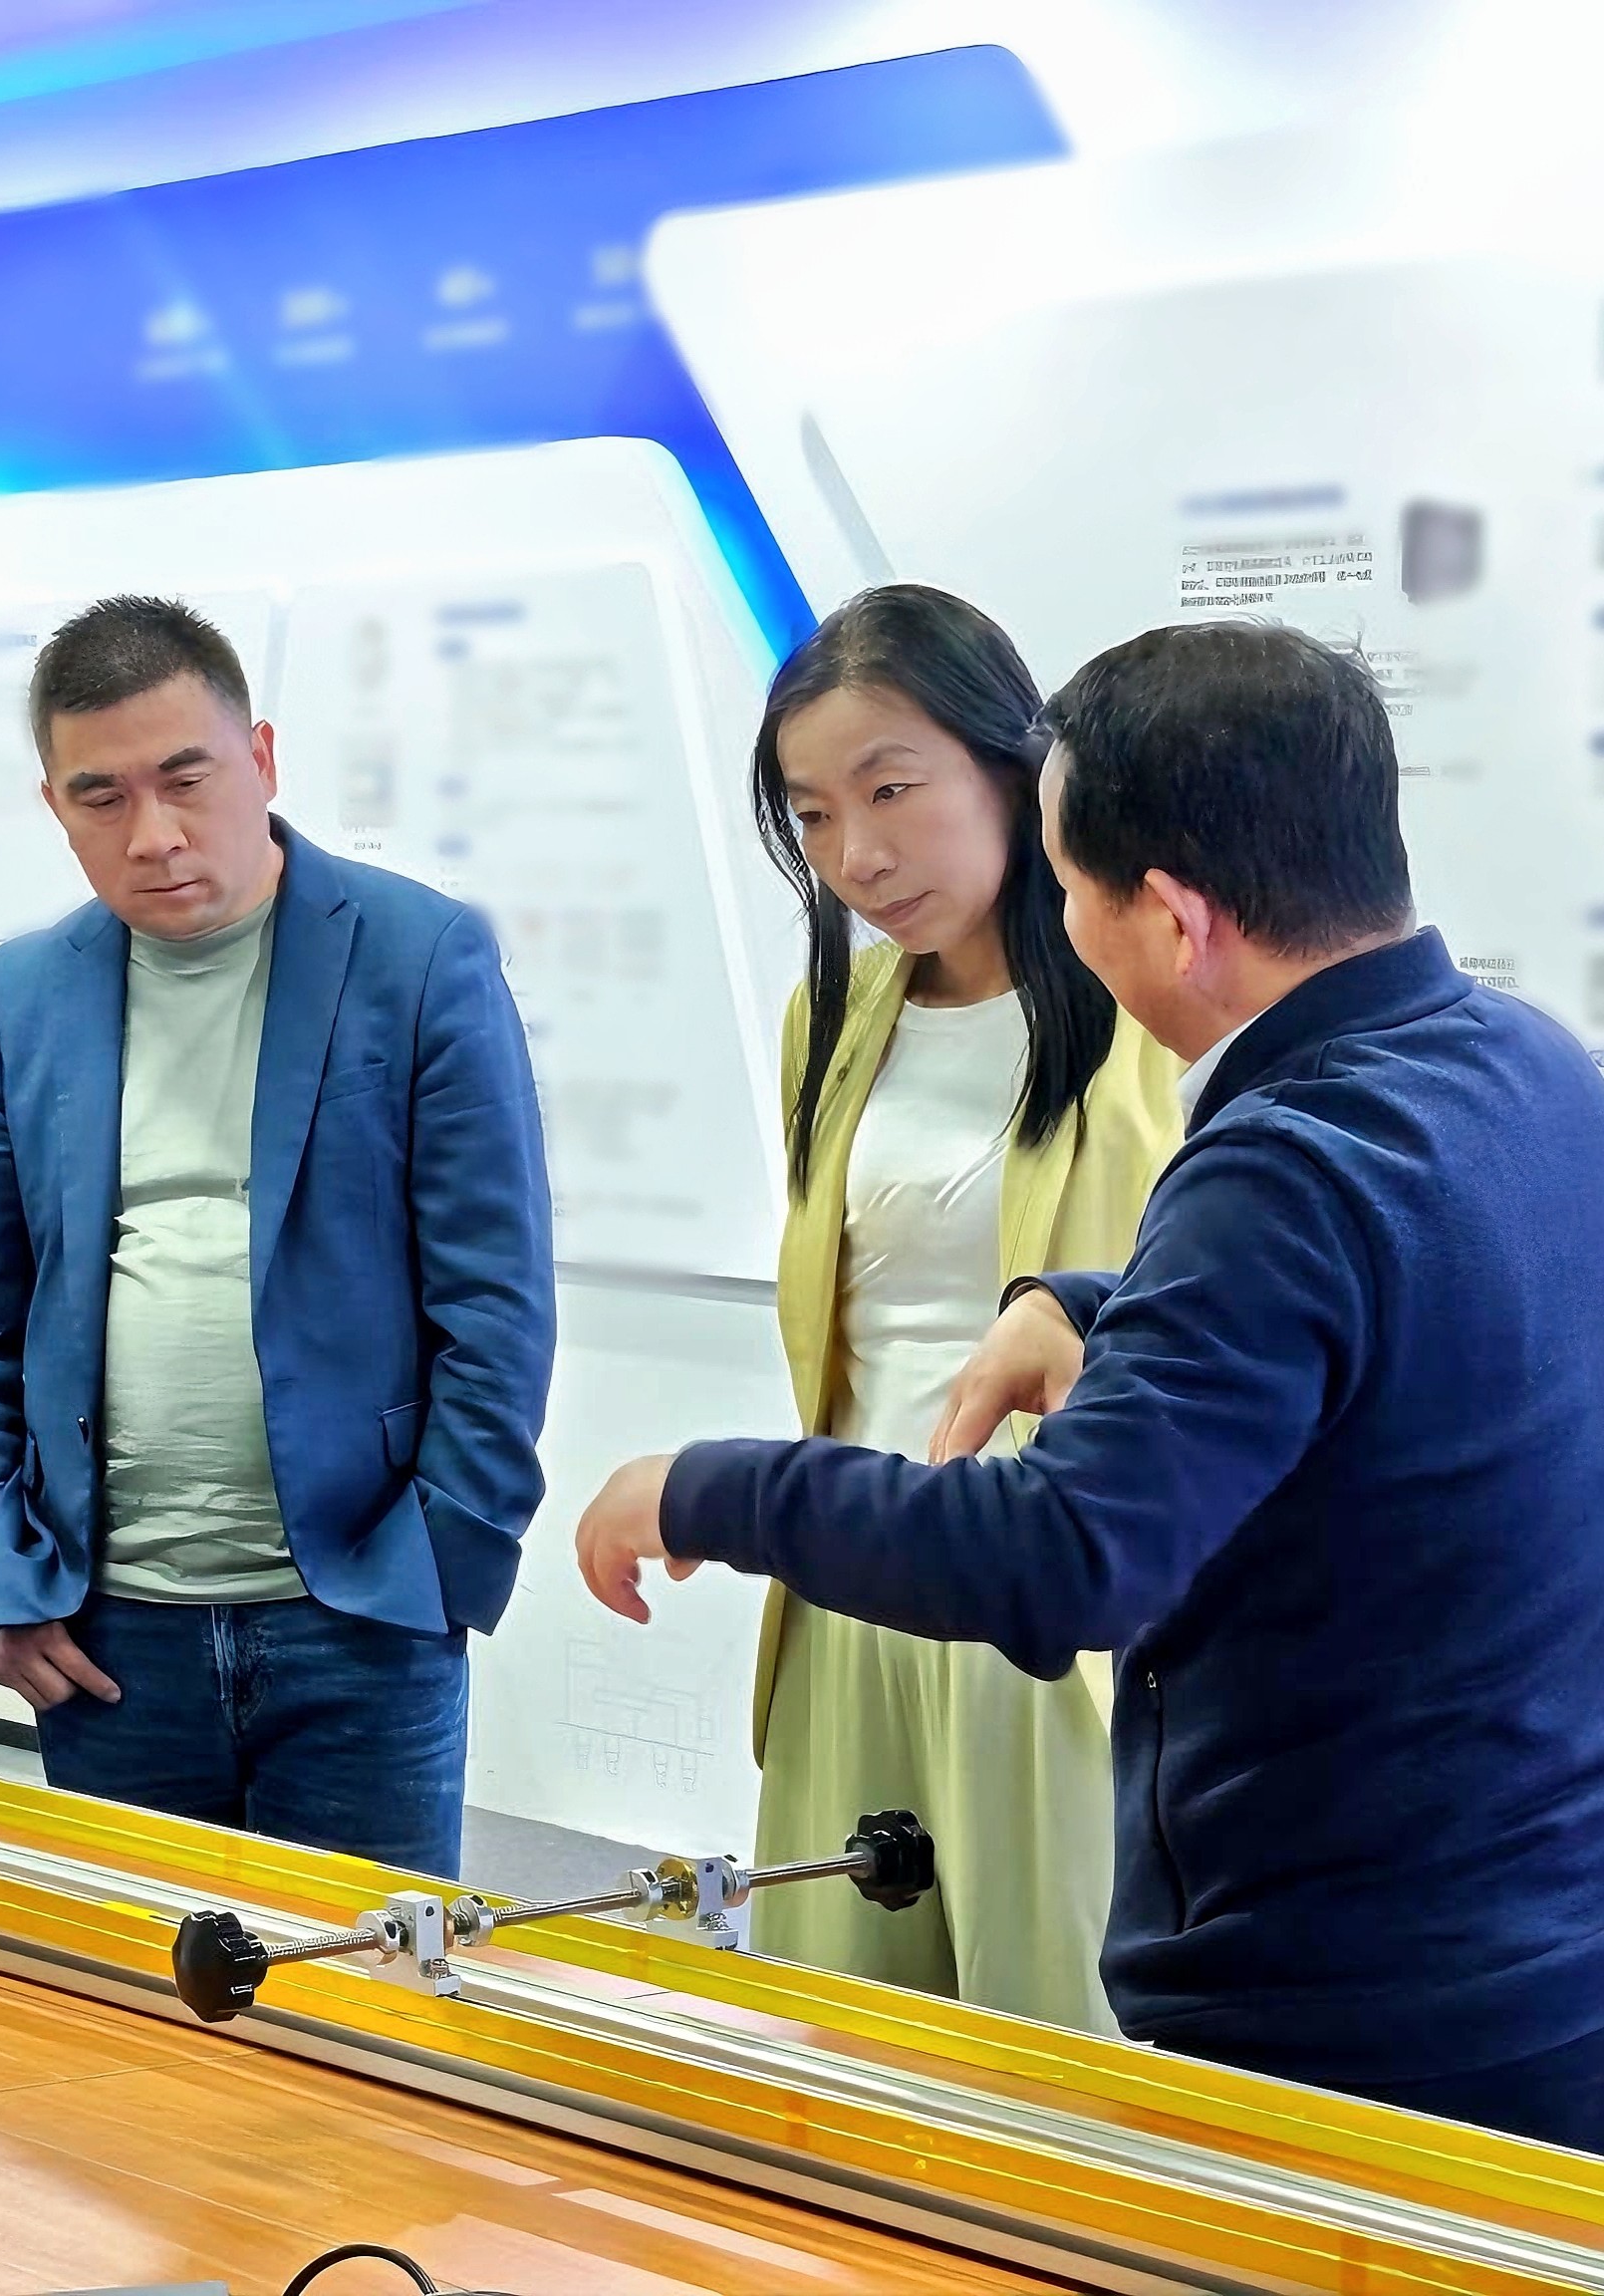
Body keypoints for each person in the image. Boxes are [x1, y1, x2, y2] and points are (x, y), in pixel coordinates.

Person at [576, 621, 1604, 2149]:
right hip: (1531, 1937)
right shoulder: (1528, 1062)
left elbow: (1065, 1555)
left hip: (1348, 2000)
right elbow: (1373, 1343)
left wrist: (707, 1489)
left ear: (1173, 919)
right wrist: (1088, 1307)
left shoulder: (1278, 1159)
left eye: (1071, 886)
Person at [0, 595, 555, 1876]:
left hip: (357, 1614)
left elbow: (495, 1303)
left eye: (185, 778)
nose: (152, 834)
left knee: (363, 1990)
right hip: (107, 1632)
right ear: (55, 807)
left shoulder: (418, 955)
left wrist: (435, 1567)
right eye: (102, 797)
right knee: (136, 1994)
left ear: (259, 757)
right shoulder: (22, 992)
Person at [735, 587, 1177, 2027]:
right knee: (832, 2025)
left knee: (1055, 2030)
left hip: (1048, 1609)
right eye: (811, 814)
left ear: (1012, 763)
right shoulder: (834, 1019)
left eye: (891, 789)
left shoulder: (1147, 1017)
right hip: (852, 1573)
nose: (856, 856)